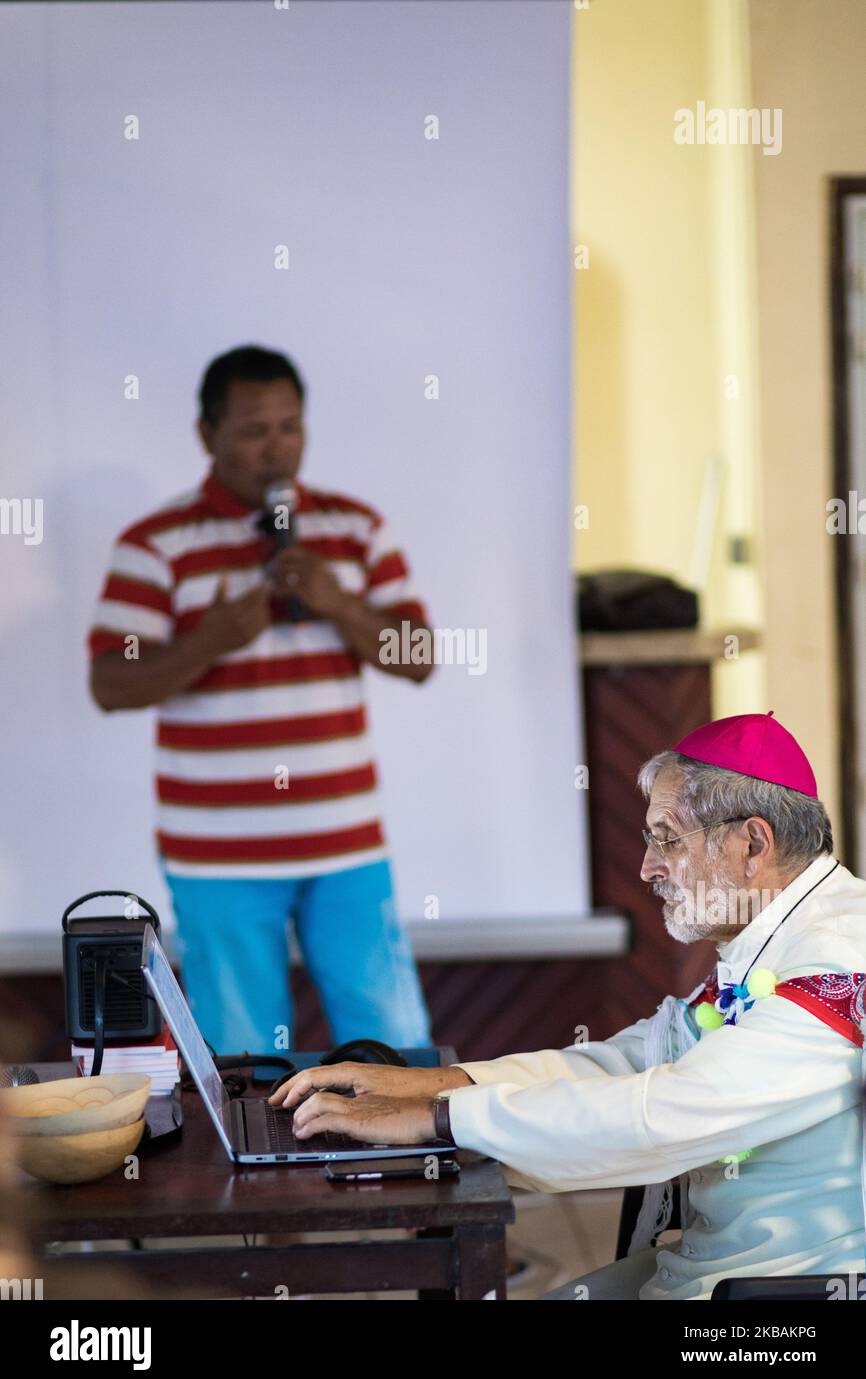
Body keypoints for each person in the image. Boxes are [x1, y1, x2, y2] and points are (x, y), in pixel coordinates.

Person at [269, 712, 866, 1299]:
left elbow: (669, 1111)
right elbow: (626, 1064)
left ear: (752, 844)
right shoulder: (776, 936)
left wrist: (441, 1119)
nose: (647, 867)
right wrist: (424, 1086)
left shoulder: (840, 955)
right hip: (715, 1273)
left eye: (667, 839)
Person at [88, 344, 434, 1055]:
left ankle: (411, 1164)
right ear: (206, 435)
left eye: (290, 427)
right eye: (253, 431)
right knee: (244, 1055)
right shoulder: (155, 544)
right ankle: (249, 1170)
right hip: (219, 853)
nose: (276, 449)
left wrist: (339, 603)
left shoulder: (354, 528)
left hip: (346, 841)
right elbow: (110, 683)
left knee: (393, 1041)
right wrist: (207, 641)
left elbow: (420, 659)